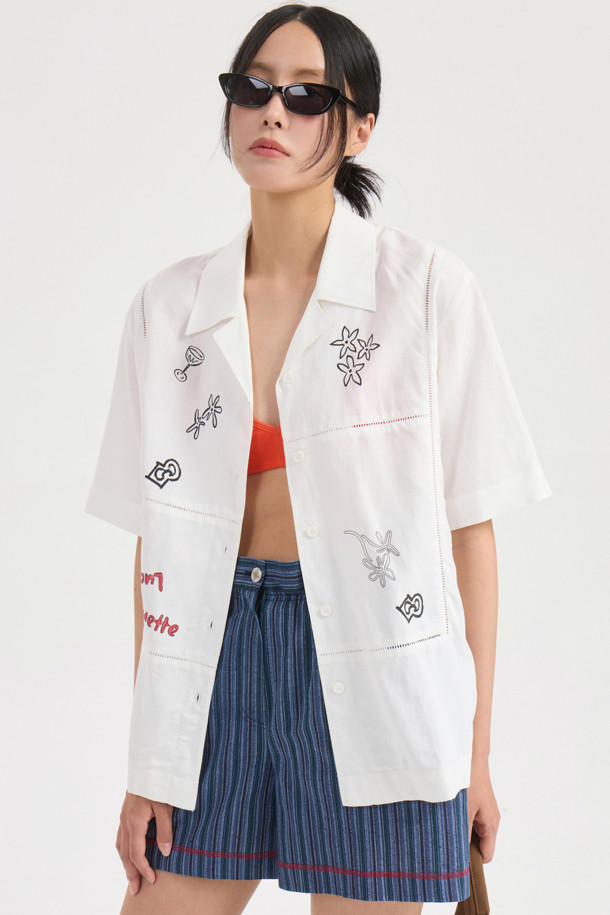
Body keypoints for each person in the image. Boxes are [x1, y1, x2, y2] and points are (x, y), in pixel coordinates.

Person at [85, 5, 552, 913]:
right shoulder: (168, 308)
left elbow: (471, 533)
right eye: (253, 87)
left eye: (307, 96)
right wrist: (149, 759)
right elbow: (155, 548)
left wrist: (475, 752)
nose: (273, 111)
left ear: (360, 126)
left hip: (379, 675)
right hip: (213, 661)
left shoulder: (425, 292)